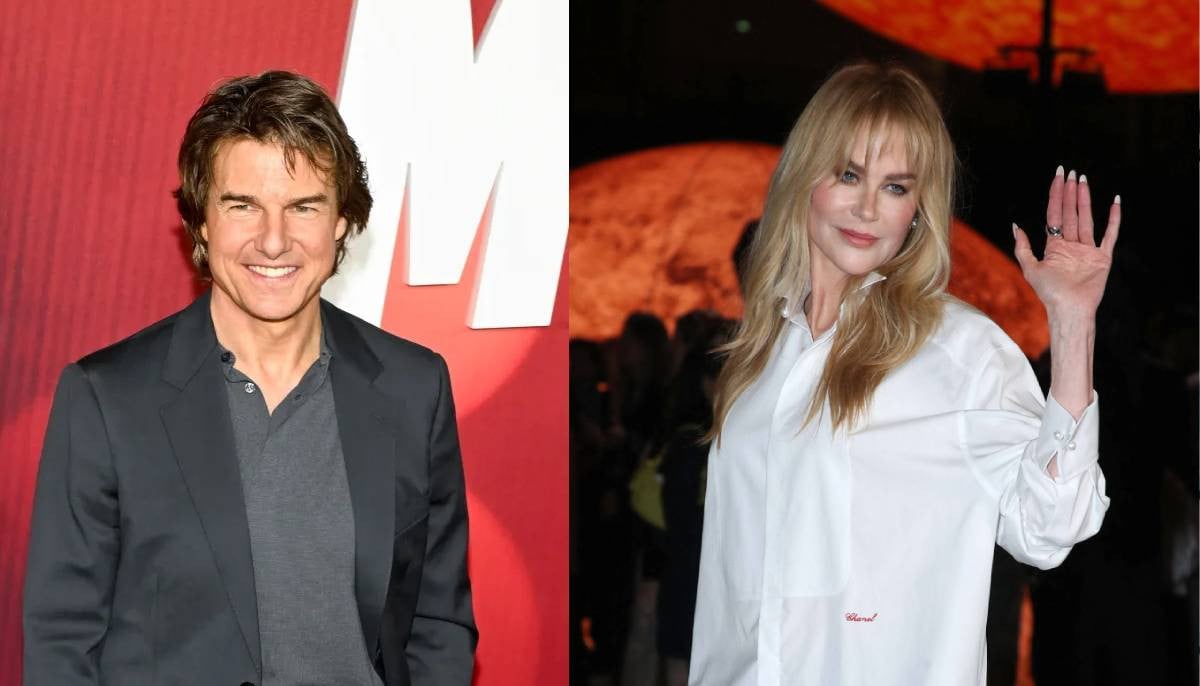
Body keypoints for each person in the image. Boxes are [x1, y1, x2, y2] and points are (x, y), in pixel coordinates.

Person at [23, 71, 476, 685]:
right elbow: (62, 640)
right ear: (202, 221)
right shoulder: (107, 399)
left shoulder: (413, 388)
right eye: (243, 206)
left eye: (303, 207)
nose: (273, 241)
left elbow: (438, 619)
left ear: (342, 221)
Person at [688, 63, 1118, 685]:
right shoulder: (759, 356)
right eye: (848, 174)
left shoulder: (960, 353)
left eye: (895, 187)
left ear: (917, 208)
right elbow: (729, 594)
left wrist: (1073, 326)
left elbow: (1051, 526)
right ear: (804, 175)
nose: (867, 208)